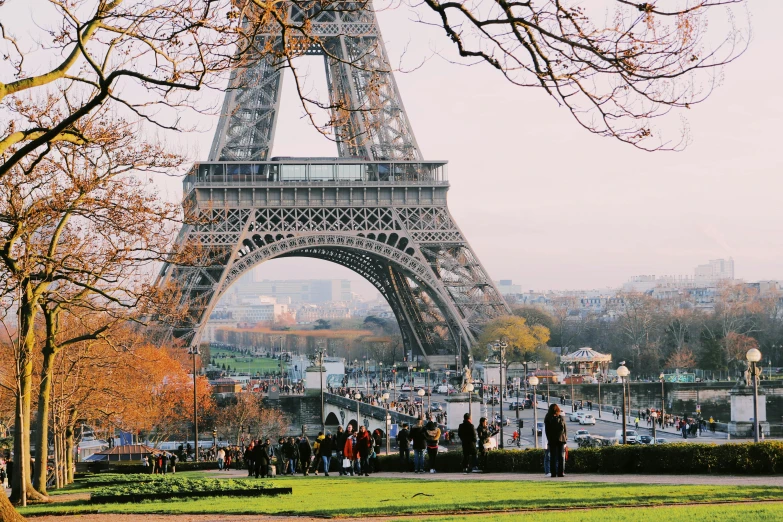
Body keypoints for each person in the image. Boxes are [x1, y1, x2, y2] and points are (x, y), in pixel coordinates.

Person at [544, 403, 567, 478]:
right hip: (560, 439)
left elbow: (547, 431)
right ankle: (560, 473)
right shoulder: (560, 418)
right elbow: (564, 429)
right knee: (560, 457)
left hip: (553, 439)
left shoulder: (548, 418)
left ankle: (554, 473)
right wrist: (565, 439)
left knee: (553, 457)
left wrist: (549, 440)